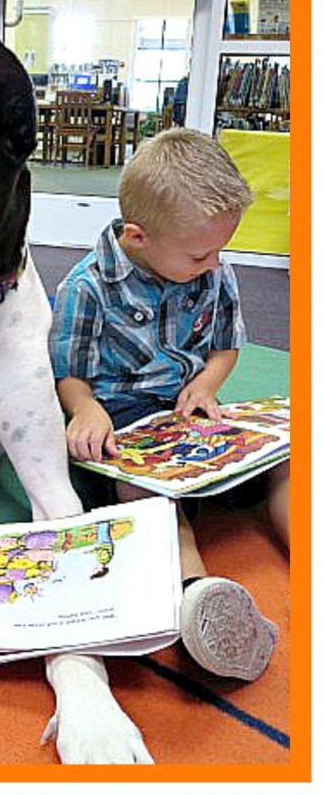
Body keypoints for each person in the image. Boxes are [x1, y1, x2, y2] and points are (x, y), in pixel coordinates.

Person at [49, 127, 289, 681]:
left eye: (220, 249)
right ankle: (196, 594)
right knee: (152, 494)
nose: (215, 262)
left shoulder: (212, 268)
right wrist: (86, 408)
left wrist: (206, 383)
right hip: (122, 422)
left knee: (282, 463)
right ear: (137, 237)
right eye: (201, 253)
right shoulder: (87, 287)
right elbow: (69, 374)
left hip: (190, 411)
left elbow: (226, 347)